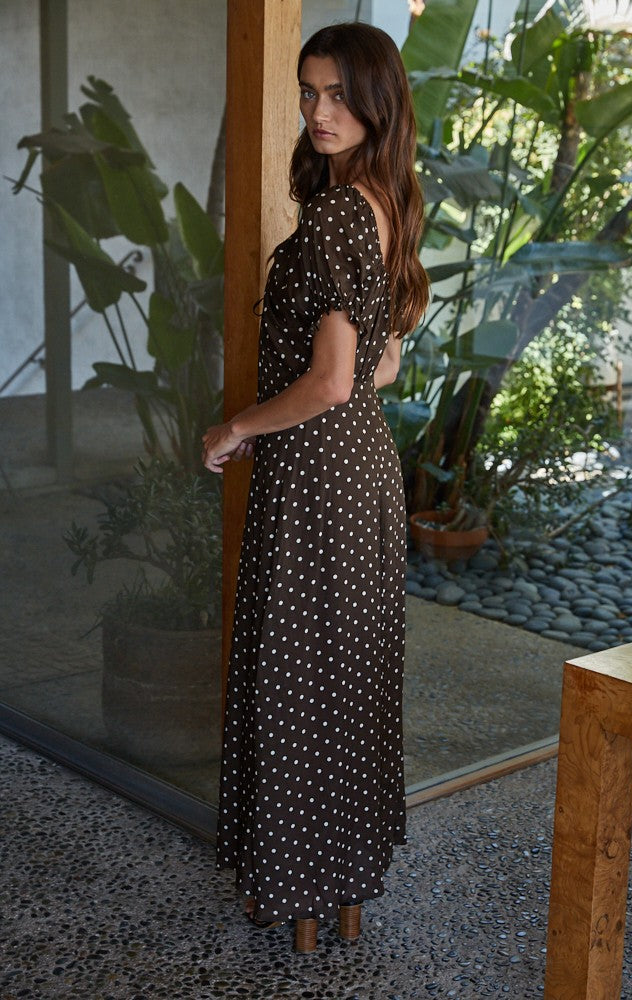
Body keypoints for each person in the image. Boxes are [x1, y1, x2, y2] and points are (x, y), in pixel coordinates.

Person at [202, 21, 429, 954]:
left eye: (337, 94)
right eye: (307, 91)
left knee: (300, 680)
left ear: (375, 100)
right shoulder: (388, 203)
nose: (317, 110)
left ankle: (298, 886)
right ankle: (336, 893)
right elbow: (381, 369)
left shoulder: (338, 214)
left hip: (313, 476)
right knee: (345, 679)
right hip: (361, 470)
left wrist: (237, 426)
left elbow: (333, 380)